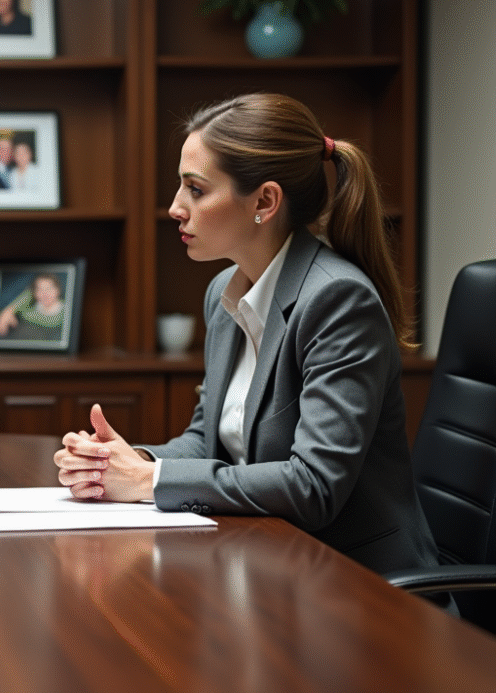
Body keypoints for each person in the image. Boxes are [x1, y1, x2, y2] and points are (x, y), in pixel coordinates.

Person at [53, 93, 439, 576]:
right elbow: (207, 440)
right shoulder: (223, 294)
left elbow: (313, 487)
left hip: (356, 582)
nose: (175, 208)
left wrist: (149, 479)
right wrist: (119, 462)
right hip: (266, 563)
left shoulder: (338, 301)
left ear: (264, 201)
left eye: (195, 190)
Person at [0, 272, 65, 342]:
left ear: (58, 290)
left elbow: (52, 323)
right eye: (39, 289)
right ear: (34, 293)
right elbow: (26, 296)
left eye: (49, 288)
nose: (45, 294)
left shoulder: (65, 311)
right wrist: (8, 312)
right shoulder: (29, 305)